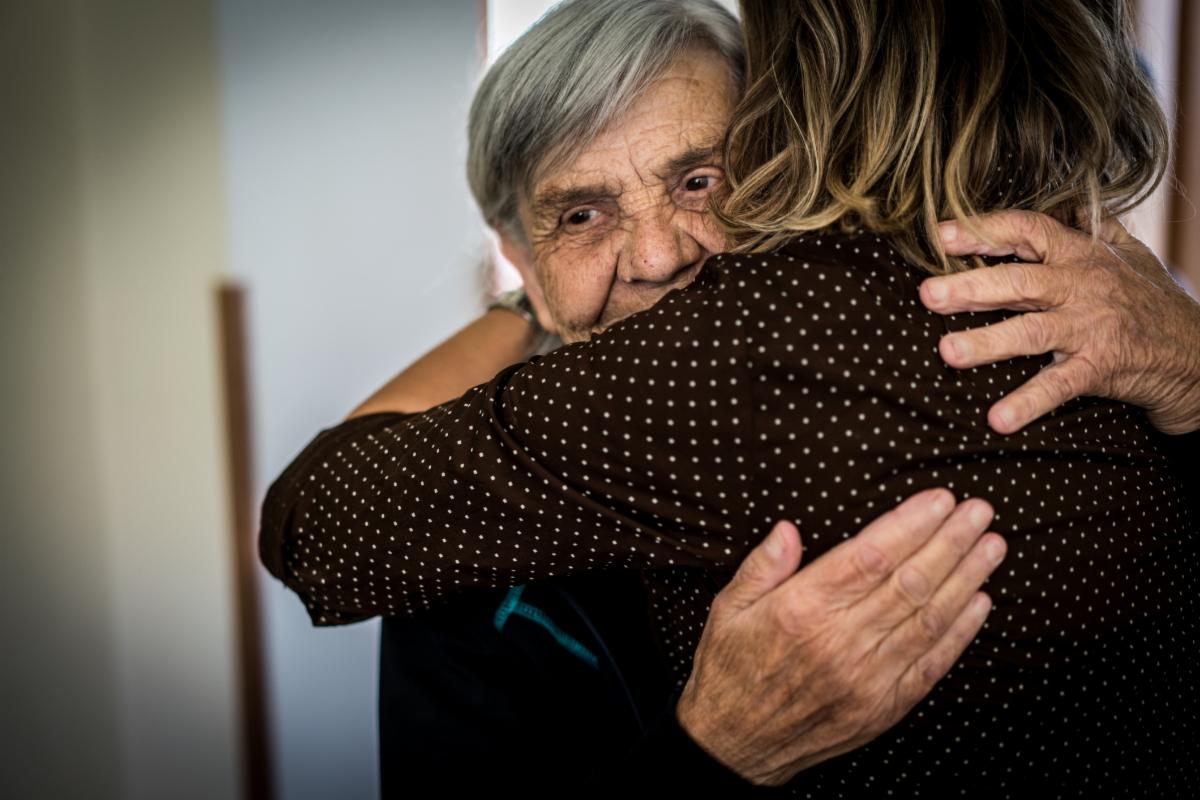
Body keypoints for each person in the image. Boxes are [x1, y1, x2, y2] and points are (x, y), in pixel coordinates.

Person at [259, 0, 1200, 793]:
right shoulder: (452, 565)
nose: (662, 254)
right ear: (518, 256)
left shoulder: (959, 350)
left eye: (701, 181)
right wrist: (711, 754)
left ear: (787, 180)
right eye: (580, 216)